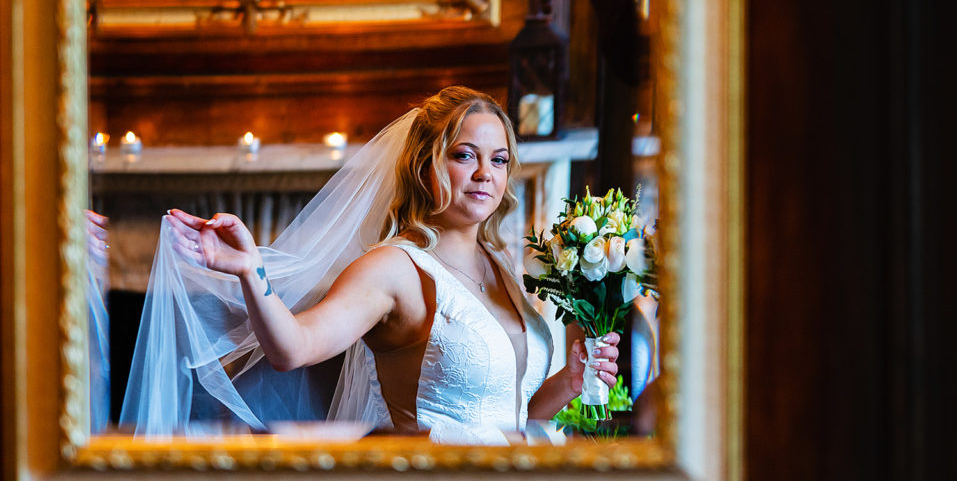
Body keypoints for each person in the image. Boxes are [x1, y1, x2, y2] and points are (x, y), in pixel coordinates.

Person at [121, 86, 619, 443]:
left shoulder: (503, 266)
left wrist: (569, 383)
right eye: (465, 155)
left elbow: (507, 418)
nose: (486, 174)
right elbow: (293, 348)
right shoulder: (394, 268)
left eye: (500, 159)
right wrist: (252, 270)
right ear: (425, 163)